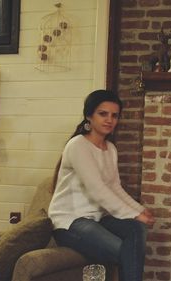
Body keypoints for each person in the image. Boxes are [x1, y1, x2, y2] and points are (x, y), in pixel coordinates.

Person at [48, 89, 155, 281]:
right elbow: (98, 189)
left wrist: (140, 210)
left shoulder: (110, 149)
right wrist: (134, 214)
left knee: (137, 229)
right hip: (70, 221)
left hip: (98, 218)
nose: (109, 120)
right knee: (123, 250)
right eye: (103, 114)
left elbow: (115, 187)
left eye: (114, 115)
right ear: (89, 115)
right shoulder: (78, 145)